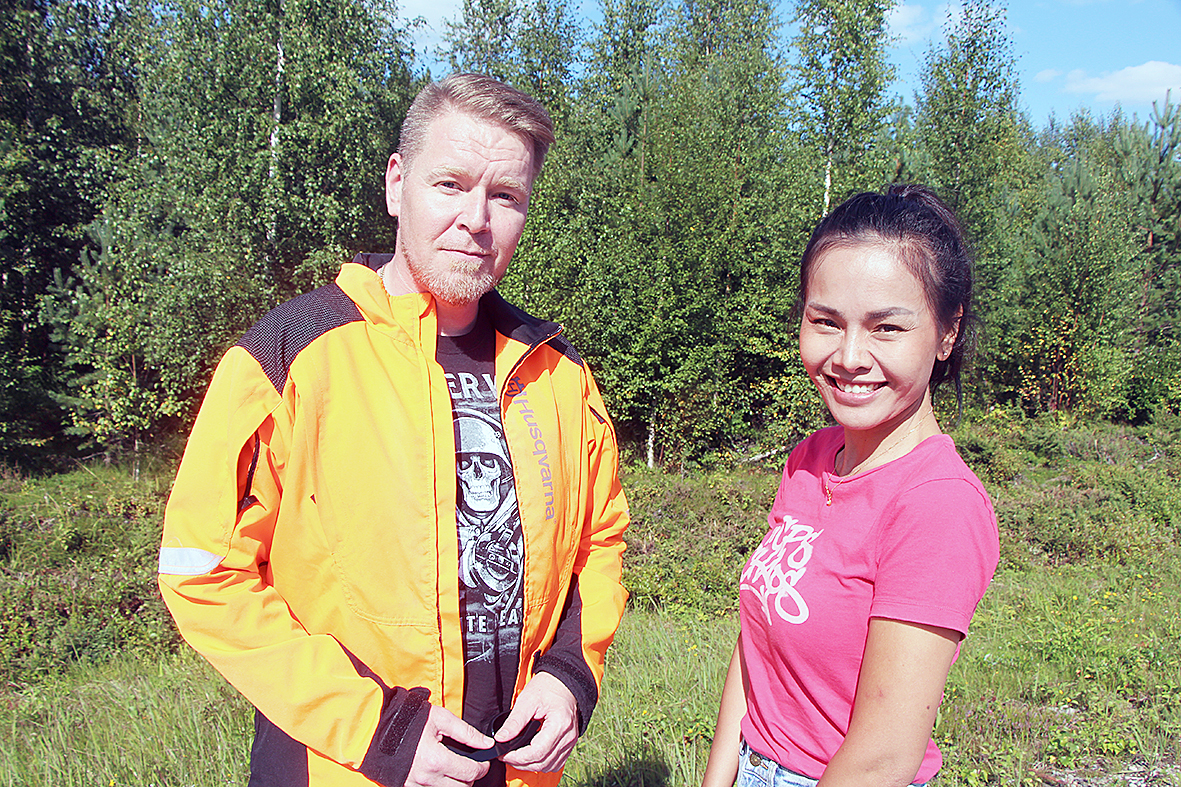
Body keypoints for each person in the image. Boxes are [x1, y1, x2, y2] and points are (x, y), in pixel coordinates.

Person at [157, 73, 629, 787]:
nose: (477, 218)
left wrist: (570, 674)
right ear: (395, 184)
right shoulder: (290, 352)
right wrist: (377, 728)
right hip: (347, 765)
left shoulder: (558, 373)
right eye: (450, 184)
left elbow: (598, 541)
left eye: (504, 196)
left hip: (515, 769)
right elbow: (201, 570)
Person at [702, 184, 1000, 787]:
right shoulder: (810, 461)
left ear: (947, 332)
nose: (849, 356)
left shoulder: (936, 504)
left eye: (887, 327)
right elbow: (755, 648)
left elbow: (883, 758)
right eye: (826, 322)